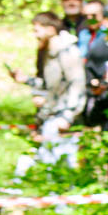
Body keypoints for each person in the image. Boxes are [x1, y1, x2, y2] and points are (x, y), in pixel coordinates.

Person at [12, 11, 86, 176]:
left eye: (37, 30)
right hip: (51, 115)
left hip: (64, 118)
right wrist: (25, 80)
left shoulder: (67, 51)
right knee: (48, 162)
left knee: (65, 165)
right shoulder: (49, 53)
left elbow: (77, 84)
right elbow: (50, 85)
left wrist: (68, 115)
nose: (35, 35)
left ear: (51, 30)